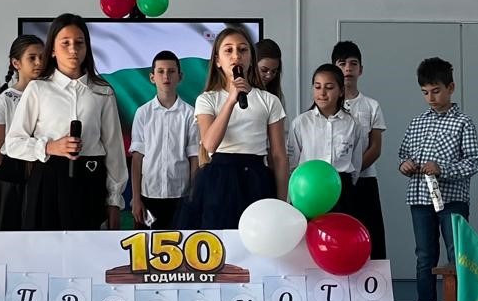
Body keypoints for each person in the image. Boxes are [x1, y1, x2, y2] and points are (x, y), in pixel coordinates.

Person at [4, 14, 128, 231]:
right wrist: (50, 147)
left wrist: (114, 200)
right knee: (46, 246)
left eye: (79, 43)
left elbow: (114, 150)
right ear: (52, 49)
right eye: (65, 43)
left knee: (88, 246)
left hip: (89, 178)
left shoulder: (102, 91)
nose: (73, 49)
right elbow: (13, 143)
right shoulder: (38, 88)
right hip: (48, 178)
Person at [395, 57, 478, 301]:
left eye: (436, 91)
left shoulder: (463, 122)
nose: (431, 97)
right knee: (424, 258)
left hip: (452, 200)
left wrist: (443, 169)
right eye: (425, 92)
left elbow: (473, 162)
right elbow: (403, 153)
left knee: (457, 258)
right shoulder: (417, 122)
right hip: (420, 198)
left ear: (451, 88)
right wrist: (405, 165)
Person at [178, 26, 288, 229]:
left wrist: (282, 202)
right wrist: (230, 101)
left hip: (256, 177)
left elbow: (279, 155)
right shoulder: (207, 99)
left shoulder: (269, 100)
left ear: (251, 58)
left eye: (243, 50)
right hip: (219, 179)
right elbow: (210, 144)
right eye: (228, 50)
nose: (236, 56)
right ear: (218, 61)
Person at [130, 50, 200, 229]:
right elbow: (137, 159)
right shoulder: (143, 113)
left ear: (180, 76)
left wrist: (193, 195)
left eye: (171, 71)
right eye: (160, 71)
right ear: (152, 77)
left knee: (181, 243)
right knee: (148, 243)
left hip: (181, 197)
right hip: (149, 196)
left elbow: (194, 158)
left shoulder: (190, 114)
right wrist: (136, 198)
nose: (166, 76)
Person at [333, 41, 388, 260]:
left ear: (361, 69)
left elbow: (375, 147)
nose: (348, 68)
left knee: (371, 234)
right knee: (340, 237)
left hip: (365, 180)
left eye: (353, 64)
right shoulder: (326, 104)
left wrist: (354, 170)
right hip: (334, 183)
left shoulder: (371, 106)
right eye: (342, 63)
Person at [286, 64, 364, 214]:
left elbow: (356, 163)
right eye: (317, 87)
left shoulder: (352, 124)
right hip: (307, 189)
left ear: (341, 91)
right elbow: (292, 163)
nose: (322, 93)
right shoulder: (301, 123)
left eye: (329, 87)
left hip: (341, 189)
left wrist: (346, 185)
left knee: (339, 228)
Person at [0, 35, 46, 231]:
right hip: (14, 170)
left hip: (43, 164)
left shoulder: (50, 95)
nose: (38, 63)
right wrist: (8, 177)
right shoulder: (5, 100)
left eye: (42, 57)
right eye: (32, 58)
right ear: (16, 63)